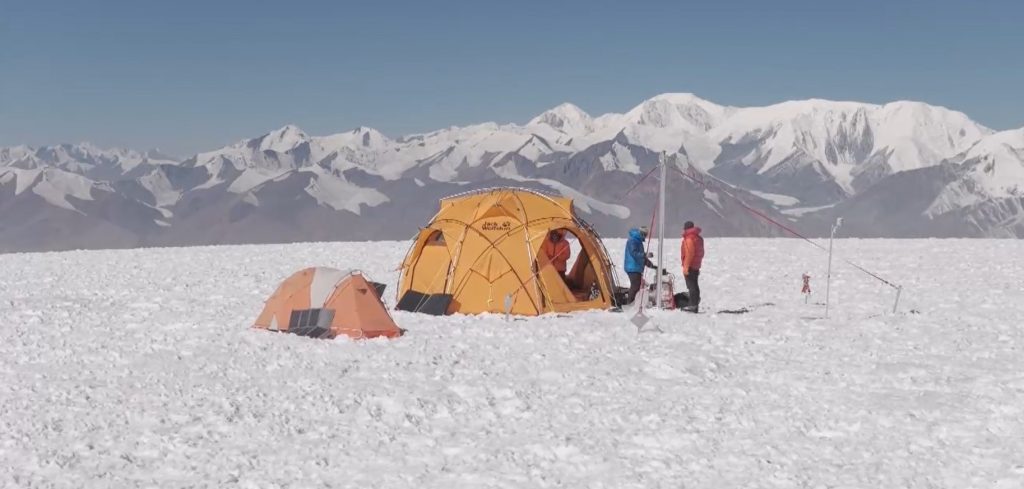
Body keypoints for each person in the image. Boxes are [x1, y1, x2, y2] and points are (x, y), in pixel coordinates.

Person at [623, 226, 657, 304]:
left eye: (646, 234)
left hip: (636, 268)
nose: (645, 236)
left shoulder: (638, 241)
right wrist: (646, 254)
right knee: (635, 286)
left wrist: (651, 265)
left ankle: (633, 302)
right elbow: (634, 254)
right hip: (632, 268)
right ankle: (629, 303)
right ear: (640, 233)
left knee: (637, 286)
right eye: (644, 234)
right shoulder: (632, 241)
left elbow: (641, 257)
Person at [680, 221, 704, 313]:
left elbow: (689, 254)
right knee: (694, 285)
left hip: (690, 266)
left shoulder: (689, 239)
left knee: (692, 286)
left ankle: (692, 305)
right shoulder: (698, 238)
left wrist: (686, 267)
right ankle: (694, 305)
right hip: (696, 265)